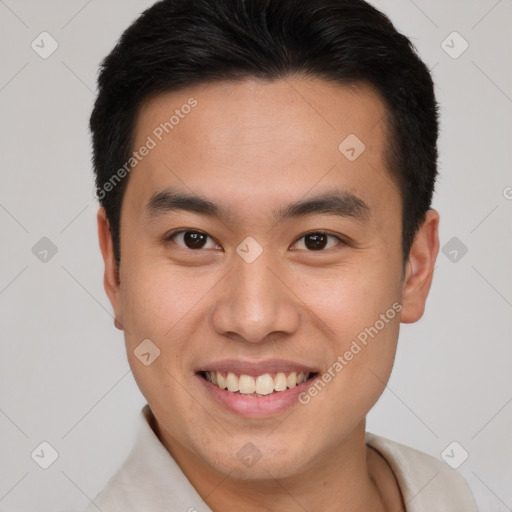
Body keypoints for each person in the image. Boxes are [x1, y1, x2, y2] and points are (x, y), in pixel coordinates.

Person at [86, 0, 479, 510]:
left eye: (317, 240)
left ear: (415, 267)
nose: (252, 318)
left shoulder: (444, 493)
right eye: (193, 239)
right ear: (115, 268)